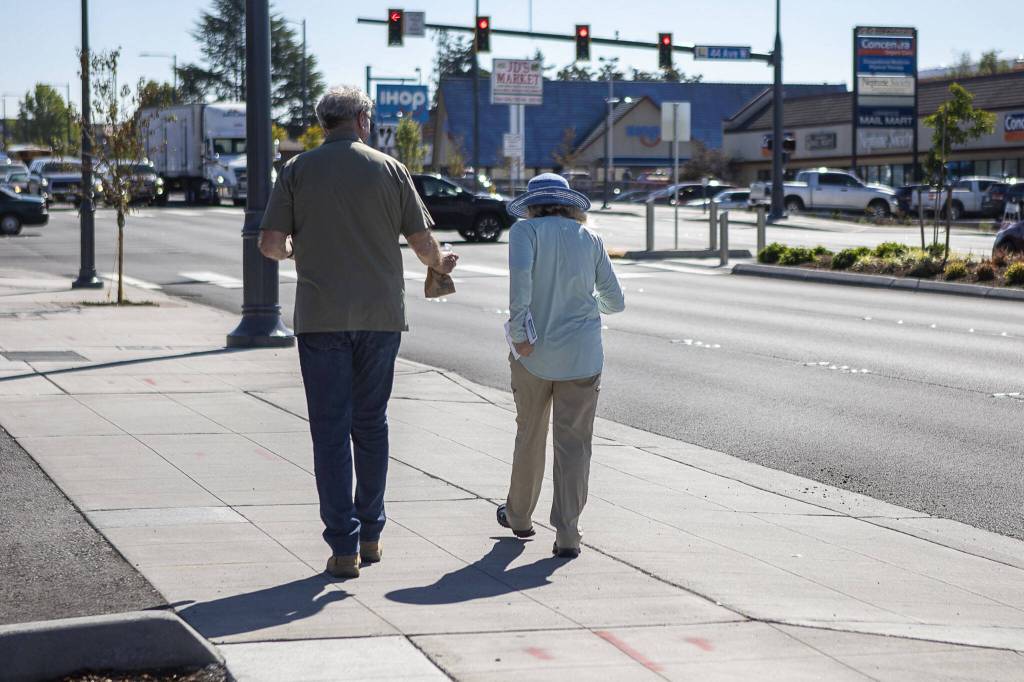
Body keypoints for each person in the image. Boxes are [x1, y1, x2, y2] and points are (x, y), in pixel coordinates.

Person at [258, 86, 458, 579]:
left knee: (329, 432)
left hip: (321, 316)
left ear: (324, 124)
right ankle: (372, 534)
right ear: (363, 121)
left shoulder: (297, 171)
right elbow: (422, 243)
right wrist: (441, 262)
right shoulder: (390, 170)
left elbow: (268, 245)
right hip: (380, 316)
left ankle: (342, 546)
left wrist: (296, 252)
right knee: (370, 424)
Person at [496, 173, 624, 558]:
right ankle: (568, 531)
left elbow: (520, 285)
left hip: (534, 353)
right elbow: (614, 301)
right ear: (570, 203)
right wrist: (585, 308)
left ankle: (519, 516)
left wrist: (520, 333)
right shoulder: (591, 239)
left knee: (529, 435)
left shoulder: (525, 232)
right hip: (583, 355)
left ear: (532, 204)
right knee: (574, 445)